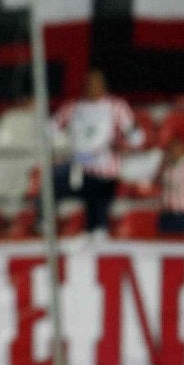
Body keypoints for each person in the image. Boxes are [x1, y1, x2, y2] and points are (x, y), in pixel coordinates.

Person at [51, 69, 143, 239]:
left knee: (98, 199)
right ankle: (46, 224)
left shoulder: (116, 106)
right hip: (78, 169)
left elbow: (136, 139)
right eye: (88, 83)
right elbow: (50, 130)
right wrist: (61, 143)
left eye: (96, 83)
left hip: (104, 170)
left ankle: (99, 230)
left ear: (104, 85)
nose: (92, 87)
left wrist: (127, 138)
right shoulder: (72, 107)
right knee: (54, 179)